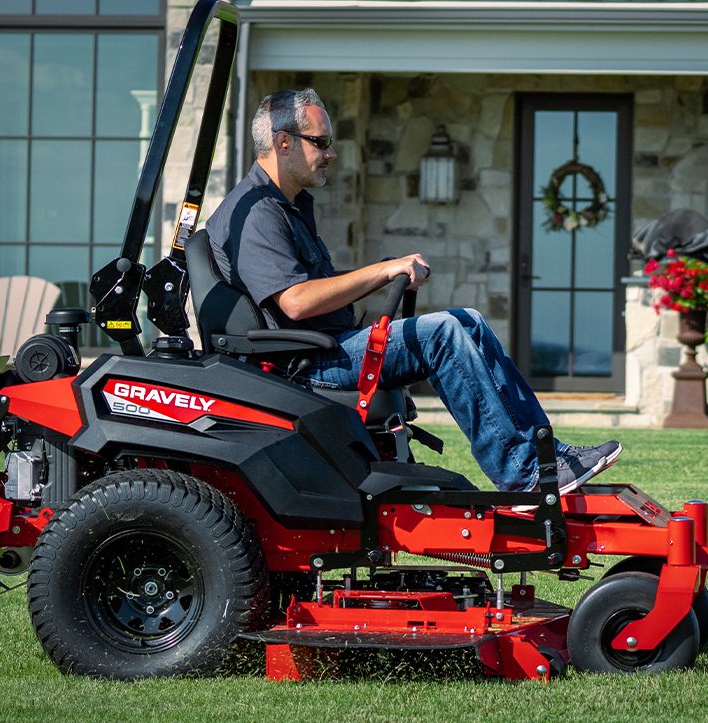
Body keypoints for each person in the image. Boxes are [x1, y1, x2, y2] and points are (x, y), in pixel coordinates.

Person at [205, 87, 620, 495]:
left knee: (467, 321)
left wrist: (385, 271)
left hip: (331, 347)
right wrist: (385, 270)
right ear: (283, 143)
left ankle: (546, 455)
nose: (331, 152)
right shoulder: (258, 212)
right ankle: (522, 473)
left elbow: (309, 284)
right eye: (322, 141)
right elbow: (295, 302)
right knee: (445, 333)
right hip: (312, 363)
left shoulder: (288, 204)